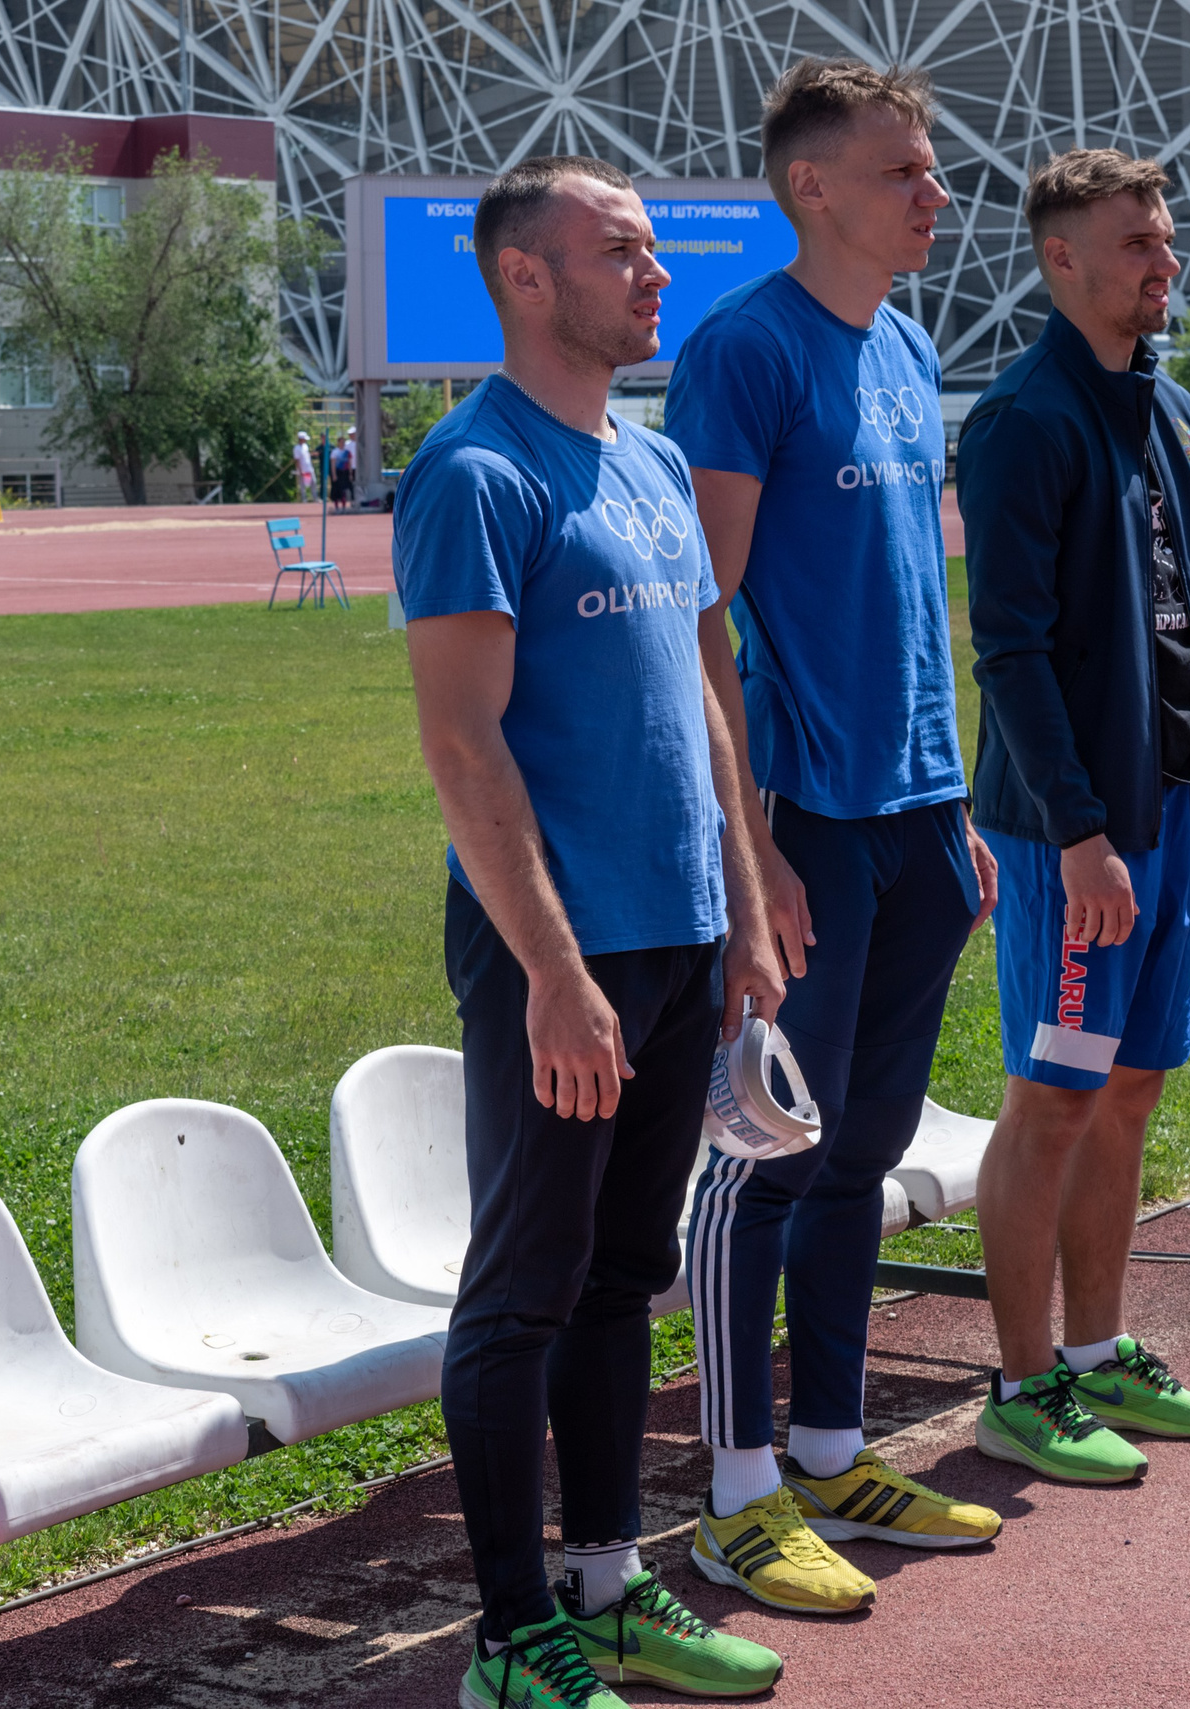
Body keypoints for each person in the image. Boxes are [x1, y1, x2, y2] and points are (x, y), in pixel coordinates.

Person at [393, 155, 787, 1709]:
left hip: (681, 938)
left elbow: (703, 700)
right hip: (557, 952)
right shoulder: (475, 474)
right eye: (620, 251)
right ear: (525, 278)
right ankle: (511, 1640)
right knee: (527, 1284)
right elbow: (461, 745)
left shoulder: (659, 466)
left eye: (654, 252)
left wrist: (746, 905)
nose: (656, 275)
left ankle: (611, 1584)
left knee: (627, 1273)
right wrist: (555, 974)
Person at [663, 57, 1003, 1616]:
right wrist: (757, 844)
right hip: (806, 817)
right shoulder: (747, 353)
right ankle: (737, 1496)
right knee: (774, 1154)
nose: (937, 194)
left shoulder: (909, 342)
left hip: (918, 812)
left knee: (865, 1151)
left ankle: (829, 1442)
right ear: (812, 188)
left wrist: (957, 803)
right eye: (905, 173)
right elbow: (704, 617)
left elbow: (914, 603)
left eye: (932, 171)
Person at [956, 149, 1190, 1485]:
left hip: (1172, 814)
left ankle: (1095, 1353)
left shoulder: (1168, 410)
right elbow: (1011, 651)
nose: (1163, 263)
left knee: (1130, 1091)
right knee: (1055, 1099)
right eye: (1135, 243)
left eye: (1166, 239)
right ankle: (1020, 1382)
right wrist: (1079, 834)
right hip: (1075, 835)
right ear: (1060, 258)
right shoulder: (1025, 420)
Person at [330, 429, 357, 507]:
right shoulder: (335, 452)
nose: (343, 444)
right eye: (341, 442)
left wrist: (350, 473)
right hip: (338, 472)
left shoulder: (347, 452)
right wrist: (334, 474)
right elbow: (333, 463)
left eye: (344, 442)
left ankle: (345, 504)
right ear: (338, 443)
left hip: (345, 472)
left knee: (346, 489)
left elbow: (349, 463)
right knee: (337, 489)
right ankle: (336, 504)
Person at [293, 429, 317, 499]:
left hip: (309, 468)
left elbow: (306, 455)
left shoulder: (305, 446)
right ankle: (304, 499)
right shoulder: (296, 448)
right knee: (302, 485)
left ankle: (315, 498)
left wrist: (312, 454)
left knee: (313, 482)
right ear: (301, 439)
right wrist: (300, 470)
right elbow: (297, 460)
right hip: (302, 469)